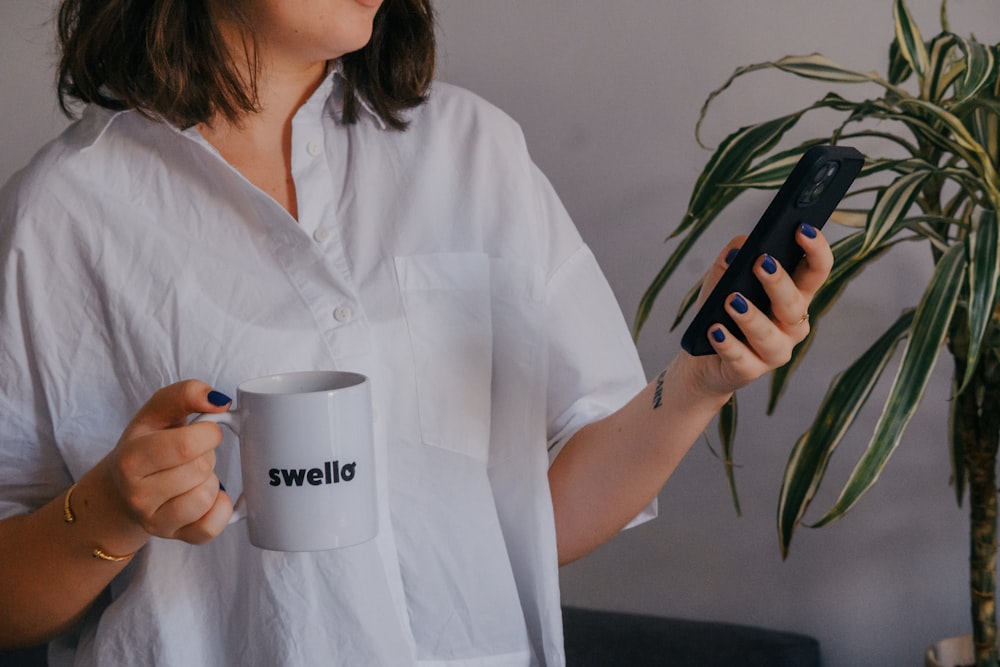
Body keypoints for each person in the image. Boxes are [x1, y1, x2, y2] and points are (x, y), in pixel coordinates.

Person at [0, 0, 832, 665]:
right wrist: (109, 510)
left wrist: (700, 383)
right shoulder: (65, 214)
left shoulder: (476, 151)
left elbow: (540, 519)